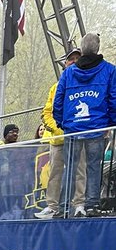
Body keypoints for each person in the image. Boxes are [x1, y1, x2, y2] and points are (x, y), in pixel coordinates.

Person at [53, 31, 116, 218]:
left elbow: (59, 100)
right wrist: (110, 125)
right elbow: (113, 99)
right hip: (97, 128)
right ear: (97, 48)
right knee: (94, 167)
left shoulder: (68, 72)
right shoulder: (109, 70)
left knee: (70, 168)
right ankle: (91, 206)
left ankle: (64, 207)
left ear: (82, 49)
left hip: (72, 129)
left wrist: (63, 123)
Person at [37, 46, 86, 219]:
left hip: (78, 137)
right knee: (55, 173)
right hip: (58, 139)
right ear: (65, 64)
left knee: (80, 171)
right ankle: (52, 207)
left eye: (77, 59)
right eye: (71, 59)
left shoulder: (86, 84)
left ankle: (79, 204)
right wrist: (61, 130)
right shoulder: (56, 87)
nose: (74, 62)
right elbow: (46, 113)